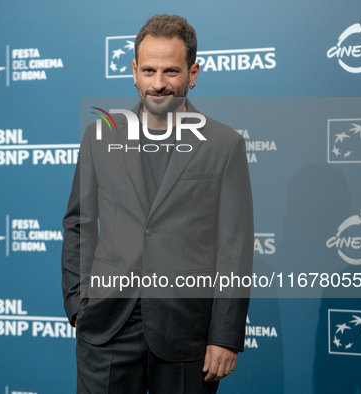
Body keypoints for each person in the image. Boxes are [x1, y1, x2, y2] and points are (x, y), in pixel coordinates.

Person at [62, 14, 254, 393]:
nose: (158, 84)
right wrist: (77, 303)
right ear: (134, 71)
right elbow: (78, 222)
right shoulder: (100, 135)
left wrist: (225, 335)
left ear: (193, 72)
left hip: (188, 335)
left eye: (171, 71)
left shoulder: (224, 144)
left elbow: (234, 245)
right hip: (106, 326)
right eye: (148, 70)